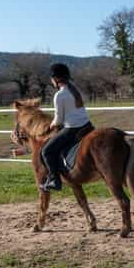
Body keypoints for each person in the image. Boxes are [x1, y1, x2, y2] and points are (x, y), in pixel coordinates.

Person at [40, 63, 92, 191]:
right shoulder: (75, 89)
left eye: (52, 78)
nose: (51, 81)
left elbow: (59, 119)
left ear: (56, 79)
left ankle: (54, 180)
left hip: (72, 129)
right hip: (87, 125)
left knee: (46, 151)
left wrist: (49, 126)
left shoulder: (60, 95)